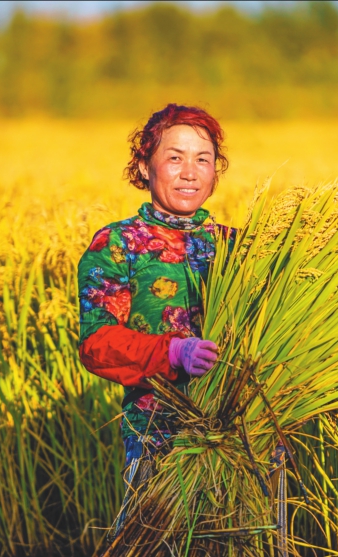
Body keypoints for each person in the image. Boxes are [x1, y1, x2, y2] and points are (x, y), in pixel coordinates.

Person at [76, 104, 232, 537]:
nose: (189, 172)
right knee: (156, 542)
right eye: (175, 157)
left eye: (203, 160)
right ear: (145, 167)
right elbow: (97, 343)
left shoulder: (237, 247)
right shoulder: (119, 244)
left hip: (241, 436)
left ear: (216, 172)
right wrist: (172, 352)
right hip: (157, 437)